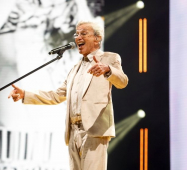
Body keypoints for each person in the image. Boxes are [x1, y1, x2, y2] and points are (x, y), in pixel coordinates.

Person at [8, 21, 128, 170]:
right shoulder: (74, 69)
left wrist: (108, 70)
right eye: (76, 34)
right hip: (73, 132)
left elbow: (122, 81)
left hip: (94, 130)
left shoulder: (109, 58)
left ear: (97, 38)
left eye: (83, 33)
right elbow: (56, 96)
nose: (78, 37)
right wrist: (25, 95)